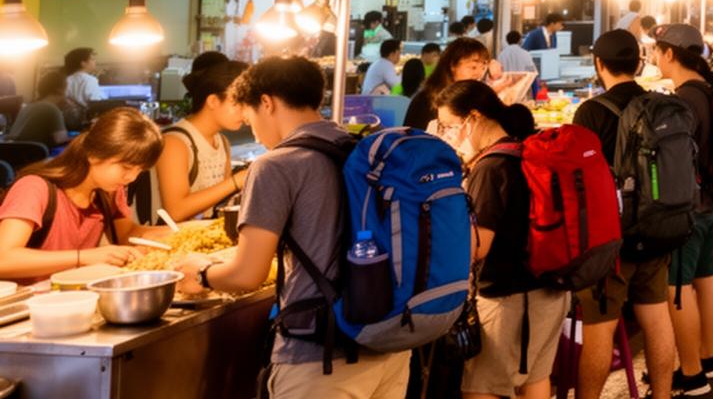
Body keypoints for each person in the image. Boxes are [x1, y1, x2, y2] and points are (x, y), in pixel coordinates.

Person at [183, 56, 411, 397]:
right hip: (388, 347)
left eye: (250, 119)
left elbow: (247, 274)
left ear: (266, 102)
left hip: (320, 359)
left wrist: (201, 274)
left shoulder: (275, 165)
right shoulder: (359, 148)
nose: (255, 133)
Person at [436, 81, 569, 399]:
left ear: (474, 117)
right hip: (550, 291)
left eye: (451, 126)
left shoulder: (490, 168)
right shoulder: (525, 148)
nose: (450, 134)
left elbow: (477, 246)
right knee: (535, 379)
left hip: (509, 301)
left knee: (482, 388)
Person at [570, 30, 675, 399]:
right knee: (657, 319)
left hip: (610, 240)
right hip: (658, 226)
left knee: (600, 327)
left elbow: (576, 178)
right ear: (639, 63)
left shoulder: (591, 111)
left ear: (599, 65)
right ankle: (662, 394)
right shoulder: (659, 104)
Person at [0, 107, 164, 281]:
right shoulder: (34, 188)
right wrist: (83, 257)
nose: (132, 177)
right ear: (94, 154)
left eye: (140, 170)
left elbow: (127, 234)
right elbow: (3, 259)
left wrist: (180, 232)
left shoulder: (109, 191)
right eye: (126, 167)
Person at [652, 24, 713, 398]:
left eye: (656, 50)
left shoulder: (683, 100)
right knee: (706, 278)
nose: (653, 56)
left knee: (678, 289)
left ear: (670, 54)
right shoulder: (710, 89)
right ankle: (708, 360)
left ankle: (692, 374)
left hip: (689, 208)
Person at [155, 58, 247, 221]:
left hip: (203, 237)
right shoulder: (175, 142)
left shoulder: (222, 142)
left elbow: (221, 202)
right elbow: (175, 211)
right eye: (238, 104)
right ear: (213, 101)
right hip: (169, 240)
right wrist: (236, 181)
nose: (245, 113)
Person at [404, 37, 495, 131]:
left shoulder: (477, 98)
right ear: (453, 65)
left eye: (483, 68)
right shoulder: (427, 100)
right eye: (473, 67)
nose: (479, 74)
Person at [6, 69, 72, 147]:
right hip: (32, 156)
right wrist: (81, 138)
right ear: (59, 90)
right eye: (68, 88)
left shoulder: (28, 107)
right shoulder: (51, 109)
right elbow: (60, 140)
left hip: (13, 154)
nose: (69, 92)